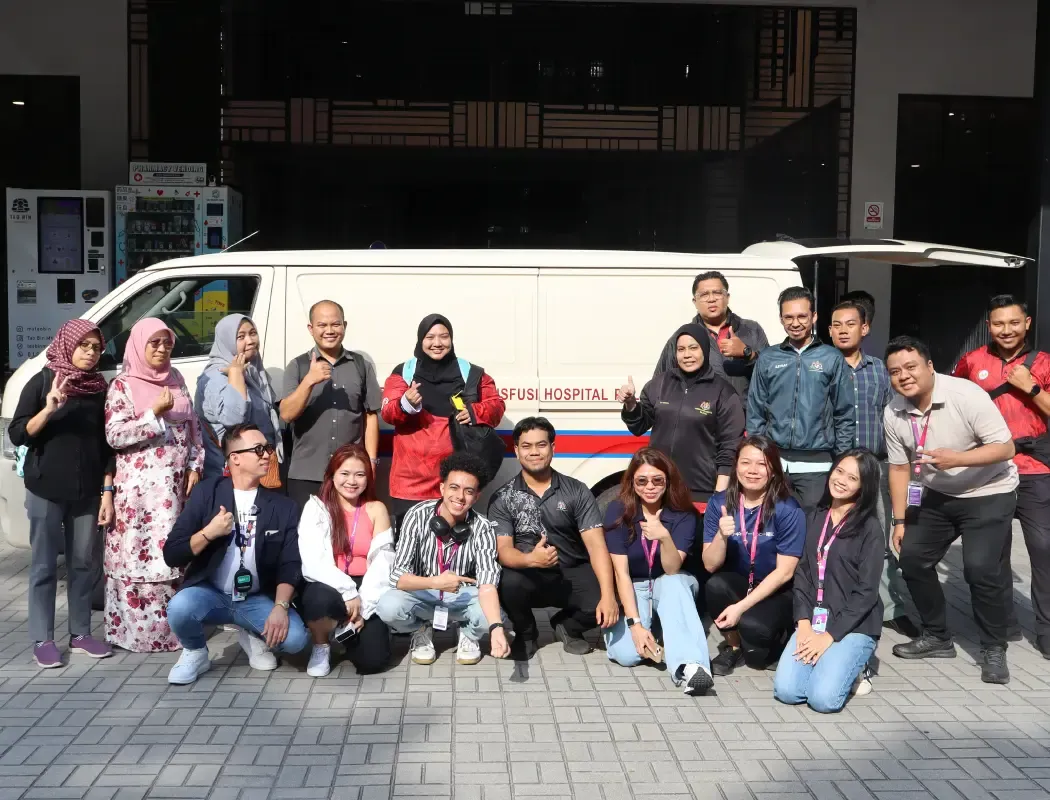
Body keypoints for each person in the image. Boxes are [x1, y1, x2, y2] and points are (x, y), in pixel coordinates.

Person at [884, 336, 1018, 684]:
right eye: (895, 371)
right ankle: (937, 637)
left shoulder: (966, 395)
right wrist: (900, 520)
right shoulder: (894, 410)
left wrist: (957, 459)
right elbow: (899, 468)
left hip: (989, 490)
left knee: (980, 568)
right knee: (911, 558)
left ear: (930, 366)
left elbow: (1005, 448)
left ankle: (993, 647)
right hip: (937, 494)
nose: (904, 376)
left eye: (911, 367)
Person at [163, 424, 310, 683]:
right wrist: (209, 532)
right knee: (179, 607)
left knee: (297, 640)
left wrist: (280, 606)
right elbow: (173, 553)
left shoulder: (283, 506)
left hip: (255, 597)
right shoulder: (207, 492)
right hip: (211, 593)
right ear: (235, 459)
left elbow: (290, 562)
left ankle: (252, 634)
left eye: (267, 448)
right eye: (258, 449)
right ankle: (196, 652)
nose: (267, 454)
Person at [9, 320, 115, 667]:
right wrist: (49, 409)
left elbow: (106, 445)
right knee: (43, 566)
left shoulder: (99, 387)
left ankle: (81, 633)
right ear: (67, 343)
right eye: (83, 345)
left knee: (83, 563)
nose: (89, 352)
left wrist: (106, 490)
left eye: (95, 347)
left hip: (86, 492)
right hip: (46, 489)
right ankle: (43, 639)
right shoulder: (41, 381)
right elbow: (18, 433)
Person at [952, 294, 1050, 658]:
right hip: (989, 470)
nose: (1005, 330)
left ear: (1026, 324)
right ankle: (1001, 623)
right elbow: (953, 401)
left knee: (1043, 550)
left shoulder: (1043, 363)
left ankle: (1046, 628)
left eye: (1013, 323)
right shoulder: (973, 361)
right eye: (998, 323)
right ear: (989, 326)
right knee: (995, 553)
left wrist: (1032, 386)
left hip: (1036, 470)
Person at [104, 319, 203, 652]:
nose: (162, 349)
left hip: (174, 491)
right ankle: (137, 636)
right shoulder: (123, 385)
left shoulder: (176, 378)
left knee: (172, 553)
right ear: (139, 345)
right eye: (155, 343)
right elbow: (115, 435)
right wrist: (154, 413)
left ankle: (175, 632)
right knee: (137, 555)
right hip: (139, 495)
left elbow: (194, 428)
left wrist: (194, 465)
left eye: (167, 343)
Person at [488, 417, 618, 660]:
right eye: (526, 446)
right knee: (506, 582)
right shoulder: (503, 497)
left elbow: (597, 546)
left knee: (611, 597)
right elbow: (503, 551)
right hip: (526, 575)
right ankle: (527, 634)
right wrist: (531, 560)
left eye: (541, 445)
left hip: (571, 571)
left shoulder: (577, 490)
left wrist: (609, 596)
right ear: (516, 451)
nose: (534, 452)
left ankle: (568, 627)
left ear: (553, 448)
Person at [828, 301, 918, 638]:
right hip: (831, 466)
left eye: (850, 324)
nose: (843, 330)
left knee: (879, 536)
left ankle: (891, 608)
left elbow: (893, 414)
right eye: (836, 325)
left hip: (874, 464)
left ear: (864, 328)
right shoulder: (820, 365)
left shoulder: (881, 370)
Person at [773, 449, 885, 713]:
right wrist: (803, 624)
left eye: (853, 478)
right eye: (839, 471)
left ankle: (858, 666)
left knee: (822, 700)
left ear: (864, 487)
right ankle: (833, 664)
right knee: (787, 691)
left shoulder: (870, 529)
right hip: (814, 619)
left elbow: (867, 593)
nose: (842, 480)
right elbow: (802, 574)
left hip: (853, 624)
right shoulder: (814, 516)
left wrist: (830, 637)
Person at [376, 452, 510, 665]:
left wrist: (496, 629)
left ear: (476, 497)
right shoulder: (416, 515)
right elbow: (398, 577)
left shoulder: (483, 527)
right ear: (442, 488)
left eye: (468, 491)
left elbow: (487, 584)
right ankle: (421, 628)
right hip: (423, 591)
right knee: (388, 606)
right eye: (454, 488)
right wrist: (435, 582)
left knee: (492, 617)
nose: (460, 496)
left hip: (463, 595)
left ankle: (468, 633)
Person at [602, 448, 713, 695]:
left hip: (670, 583)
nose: (649, 486)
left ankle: (691, 667)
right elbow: (621, 573)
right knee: (628, 655)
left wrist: (664, 537)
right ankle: (657, 631)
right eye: (642, 480)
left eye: (657, 480)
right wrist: (635, 626)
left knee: (674, 582)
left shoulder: (683, 514)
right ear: (632, 482)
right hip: (634, 585)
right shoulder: (618, 510)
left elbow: (673, 568)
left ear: (667, 481)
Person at [381, 314, 506, 518]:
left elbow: (497, 406)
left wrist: (475, 412)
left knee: (452, 545)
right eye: (430, 337)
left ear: (452, 339)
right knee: (411, 544)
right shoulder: (404, 372)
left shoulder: (471, 373)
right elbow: (388, 411)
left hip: (457, 484)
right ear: (420, 340)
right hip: (410, 484)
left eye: (444, 336)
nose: (437, 343)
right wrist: (406, 403)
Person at [703, 435, 806, 674]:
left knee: (757, 644)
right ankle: (733, 647)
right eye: (746, 462)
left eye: (762, 464)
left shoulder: (787, 508)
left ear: (773, 470)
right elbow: (709, 565)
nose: (752, 471)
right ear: (736, 465)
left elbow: (785, 572)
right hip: (740, 582)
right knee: (716, 584)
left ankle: (781, 637)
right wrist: (721, 535)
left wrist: (740, 608)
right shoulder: (719, 503)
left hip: (779, 589)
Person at [747, 286, 854, 510]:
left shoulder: (831, 358)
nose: (795, 323)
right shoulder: (768, 357)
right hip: (774, 462)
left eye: (802, 316)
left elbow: (844, 413)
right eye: (789, 317)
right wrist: (759, 454)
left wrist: (840, 459)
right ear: (781, 318)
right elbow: (756, 410)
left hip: (816, 466)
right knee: (772, 524)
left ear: (814, 316)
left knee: (811, 527)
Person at [621, 323, 745, 509]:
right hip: (660, 489)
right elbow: (638, 427)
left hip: (701, 493)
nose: (687, 355)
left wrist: (719, 496)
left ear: (704, 349)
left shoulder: (723, 392)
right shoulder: (659, 384)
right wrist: (631, 404)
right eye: (681, 349)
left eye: (693, 348)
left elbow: (730, 448)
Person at [298, 444, 395, 677]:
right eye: (344, 473)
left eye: (360, 474)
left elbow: (384, 562)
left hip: (367, 586)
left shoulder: (376, 509)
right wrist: (348, 591)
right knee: (316, 598)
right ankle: (321, 644)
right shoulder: (317, 508)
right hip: (330, 584)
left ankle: (348, 632)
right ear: (332, 475)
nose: (352, 481)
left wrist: (364, 604)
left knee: (372, 662)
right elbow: (313, 561)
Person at [280, 300, 382, 509]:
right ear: (311, 328)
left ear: (344, 325)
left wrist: (371, 462)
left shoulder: (361, 365)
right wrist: (309, 380)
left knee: (348, 537)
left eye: (335, 324)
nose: (329, 331)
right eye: (322, 325)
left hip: (350, 475)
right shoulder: (298, 366)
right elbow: (286, 414)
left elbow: (370, 417)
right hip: (307, 473)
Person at [654, 271, 769, 397]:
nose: (711, 299)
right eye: (704, 295)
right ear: (695, 301)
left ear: (727, 297)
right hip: (703, 413)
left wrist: (748, 354)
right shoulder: (683, 336)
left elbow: (772, 374)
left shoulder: (751, 330)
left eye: (717, 293)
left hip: (746, 414)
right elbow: (659, 385)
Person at [195, 314, 282, 482]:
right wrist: (236, 375)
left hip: (256, 471)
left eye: (253, 333)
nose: (250, 341)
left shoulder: (254, 371)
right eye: (240, 337)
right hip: (229, 477)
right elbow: (234, 421)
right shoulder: (216, 377)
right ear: (226, 341)